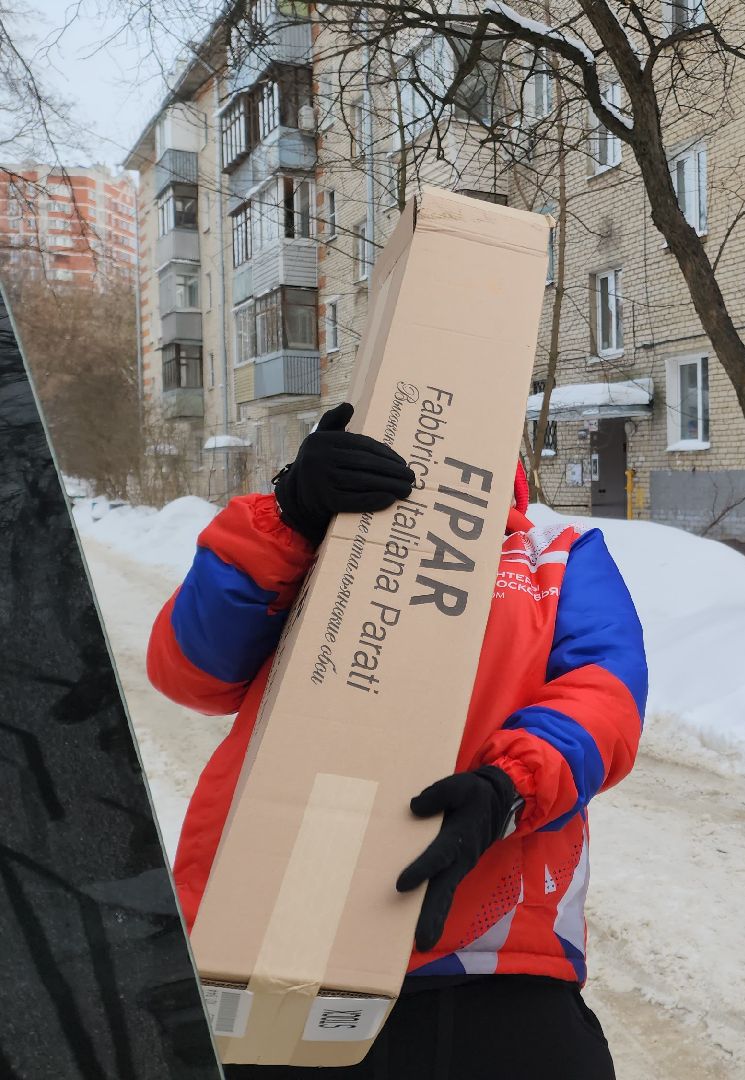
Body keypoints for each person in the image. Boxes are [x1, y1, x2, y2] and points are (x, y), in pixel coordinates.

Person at [148, 403, 646, 1078]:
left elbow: (605, 696)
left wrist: (509, 787)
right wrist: (290, 515)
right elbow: (192, 670)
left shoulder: (554, 553)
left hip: (489, 962)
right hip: (272, 945)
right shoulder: (315, 529)